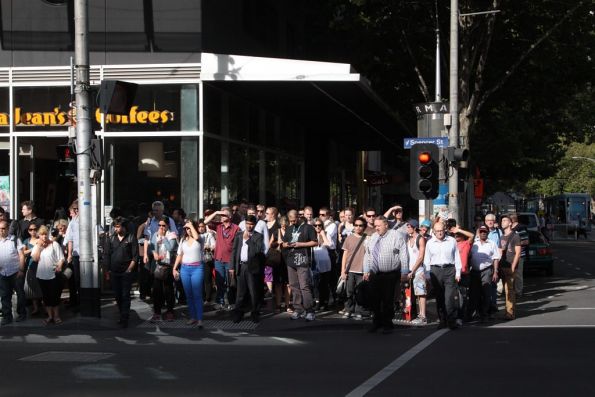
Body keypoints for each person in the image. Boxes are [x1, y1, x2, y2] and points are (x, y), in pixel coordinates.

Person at [363, 216, 409, 333]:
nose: (376, 228)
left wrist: (404, 272)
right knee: (375, 300)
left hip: (390, 274)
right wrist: (366, 270)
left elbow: (404, 254)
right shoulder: (373, 237)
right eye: (375, 226)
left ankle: (388, 324)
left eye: (379, 226)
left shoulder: (396, 236)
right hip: (375, 274)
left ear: (386, 225)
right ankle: (376, 322)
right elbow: (368, 254)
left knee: (387, 300)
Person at [424, 221, 462, 330]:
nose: (440, 233)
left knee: (449, 298)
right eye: (437, 231)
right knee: (439, 297)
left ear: (445, 230)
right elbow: (426, 259)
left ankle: (451, 320)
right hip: (435, 271)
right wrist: (427, 275)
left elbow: (457, 257)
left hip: (449, 270)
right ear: (434, 232)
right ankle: (442, 320)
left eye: (441, 230)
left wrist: (458, 272)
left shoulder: (452, 241)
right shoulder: (430, 243)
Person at [281, 209, 317, 321]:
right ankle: (298, 309)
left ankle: (310, 310)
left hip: (303, 260)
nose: (292, 222)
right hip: (291, 260)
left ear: (298, 217)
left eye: (293, 220)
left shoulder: (308, 227)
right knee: (294, 286)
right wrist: (286, 244)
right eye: (290, 221)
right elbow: (283, 242)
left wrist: (300, 244)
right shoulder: (289, 228)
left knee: (304, 285)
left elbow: (315, 242)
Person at [231, 215, 266, 323]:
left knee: (253, 292)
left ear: (254, 225)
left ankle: (255, 313)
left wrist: (248, 239)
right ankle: (238, 313)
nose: (249, 226)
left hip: (252, 267)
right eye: (247, 224)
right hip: (241, 266)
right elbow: (234, 251)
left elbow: (257, 250)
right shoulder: (238, 235)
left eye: (251, 224)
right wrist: (232, 266)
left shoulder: (258, 236)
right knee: (240, 292)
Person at [105, 217, 138, 328]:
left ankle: (125, 317)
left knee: (125, 295)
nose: (116, 229)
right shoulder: (111, 238)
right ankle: (121, 313)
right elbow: (107, 255)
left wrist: (129, 269)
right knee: (118, 296)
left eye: (118, 226)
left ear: (124, 227)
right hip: (114, 272)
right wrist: (107, 270)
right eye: (115, 226)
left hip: (126, 272)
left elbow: (135, 257)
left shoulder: (131, 238)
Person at [204, 208, 240, 310]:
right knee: (219, 282)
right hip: (218, 259)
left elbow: (238, 245)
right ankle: (220, 302)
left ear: (229, 216)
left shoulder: (236, 228)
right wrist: (216, 212)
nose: (222, 216)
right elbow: (205, 221)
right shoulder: (218, 226)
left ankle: (232, 302)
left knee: (230, 283)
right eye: (221, 215)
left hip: (230, 260)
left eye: (224, 214)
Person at [146, 216, 178, 322]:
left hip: (168, 265)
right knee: (157, 291)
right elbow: (151, 247)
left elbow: (171, 248)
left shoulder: (171, 235)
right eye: (159, 225)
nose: (161, 227)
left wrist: (163, 237)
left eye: (163, 225)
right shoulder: (155, 235)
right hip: (158, 265)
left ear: (168, 225)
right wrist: (154, 253)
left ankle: (170, 311)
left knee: (168, 290)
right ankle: (157, 312)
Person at [173, 220, 204, 328]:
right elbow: (179, 254)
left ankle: (199, 319)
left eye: (189, 228)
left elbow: (196, 237)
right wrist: (174, 268)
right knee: (189, 295)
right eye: (186, 228)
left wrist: (191, 225)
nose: (187, 230)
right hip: (185, 269)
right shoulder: (183, 240)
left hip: (197, 268)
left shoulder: (200, 238)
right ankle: (193, 317)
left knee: (197, 295)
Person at [32, 226, 65, 325]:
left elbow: (61, 258)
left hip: (54, 274)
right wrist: (39, 247)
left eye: (45, 234)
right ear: (39, 235)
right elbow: (35, 259)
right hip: (42, 275)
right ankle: (50, 316)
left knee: (54, 296)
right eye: (42, 234)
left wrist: (59, 266)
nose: (44, 236)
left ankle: (56, 316)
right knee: (46, 297)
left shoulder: (54, 244)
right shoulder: (37, 246)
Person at [468, 225, 501, 322]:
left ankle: (485, 314)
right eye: (481, 231)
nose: (483, 233)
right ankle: (476, 312)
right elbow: (468, 256)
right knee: (474, 293)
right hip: (474, 271)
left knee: (486, 293)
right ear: (478, 232)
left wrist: (495, 272)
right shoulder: (474, 244)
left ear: (488, 233)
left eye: (485, 232)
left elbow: (495, 258)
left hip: (487, 270)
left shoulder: (492, 243)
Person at [340, 216, 368, 320]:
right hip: (350, 269)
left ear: (364, 227)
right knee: (349, 291)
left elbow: (369, 255)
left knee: (360, 292)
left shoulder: (367, 238)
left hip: (362, 270)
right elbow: (345, 255)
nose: (358, 227)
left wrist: (367, 271)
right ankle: (348, 310)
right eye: (356, 225)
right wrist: (343, 270)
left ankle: (358, 311)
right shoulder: (349, 238)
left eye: (360, 225)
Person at [0, 220, 26, 325]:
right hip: (3, 273)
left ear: (8, 229)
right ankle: (7, 317)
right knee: (5, 295)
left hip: (16, 272)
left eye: (3, 228)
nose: (1, 231)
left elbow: (21, 255)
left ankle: (22, 314)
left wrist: (21, 270)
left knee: (20, 294)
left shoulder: (15, 240)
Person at [405, 220, 428, 325]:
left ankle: (423, 316)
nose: (407, 228)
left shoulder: (420, 238)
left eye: (409, 226)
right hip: (409, 270)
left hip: (418, 270)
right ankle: (412, 313)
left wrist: (413, 270)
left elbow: (421, 257)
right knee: (410, 294)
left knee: (421, 293)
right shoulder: (408, 239)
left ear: (414, 227)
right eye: (407, 226)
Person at [499, 215, 521, 320]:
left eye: (505, 220)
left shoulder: (515, 236)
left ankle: (510, 312)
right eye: (502, 220)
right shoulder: (502, 236)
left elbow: (518, 253)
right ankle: (507, 310)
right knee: (505, 290)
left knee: (509, 290)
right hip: (502, 266)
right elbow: (500, 251)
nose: (502, 222)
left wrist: (513, 266)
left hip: (510, 266)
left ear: (510, 223)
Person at [312, 217, 334, 311]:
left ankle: (324, 302)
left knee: (324, 284)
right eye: (315, 225)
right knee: (315, 284)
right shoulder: (310, 234)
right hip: (314, 262)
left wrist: (323, 235)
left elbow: (330, 245)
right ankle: (317, 302)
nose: (317, 227)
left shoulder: (325, 233)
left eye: (319, 225)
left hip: (325, 262)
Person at [22, 222, 43, 315]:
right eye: (31, 229)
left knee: (42, 286)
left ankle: (45, 307)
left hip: (42, 265)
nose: (33, 231)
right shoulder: (26, 241)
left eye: (35, 229)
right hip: (30, 265)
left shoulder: (41, 239)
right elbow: (23, 253)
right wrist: (33, 249)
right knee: (32, 287)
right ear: (28, 231)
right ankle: (35, 308)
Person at [64, 200, 80, 311]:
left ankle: (78, 302)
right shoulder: (72, 222)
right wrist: (69, 254)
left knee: (78, 279)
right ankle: (74, 301)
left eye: (71, 212)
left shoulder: (88, 220)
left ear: (77, 210)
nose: (70, 215)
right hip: (75, 254)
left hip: (82, 255)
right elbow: (69, 240)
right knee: (73, 279)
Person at [197, 219, 216, 304]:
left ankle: (208, 298)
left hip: (206, 259)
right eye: (199, 227)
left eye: (202, 226)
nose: (201, 228)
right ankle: (201, 297)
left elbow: (214, 245)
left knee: (207, 279)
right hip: (197, 259)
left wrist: (209, 247)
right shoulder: (195, 235)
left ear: (205, 227)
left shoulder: (209, 235)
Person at [510, 213, 529, 297]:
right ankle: (511, 290)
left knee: (518, 274)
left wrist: (515, 244)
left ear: (512, 220)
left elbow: (526, 241)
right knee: (510, 274)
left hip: (519, 255)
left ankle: (518, 291)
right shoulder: (509, 229)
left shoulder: (521, 228)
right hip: (509, 255)